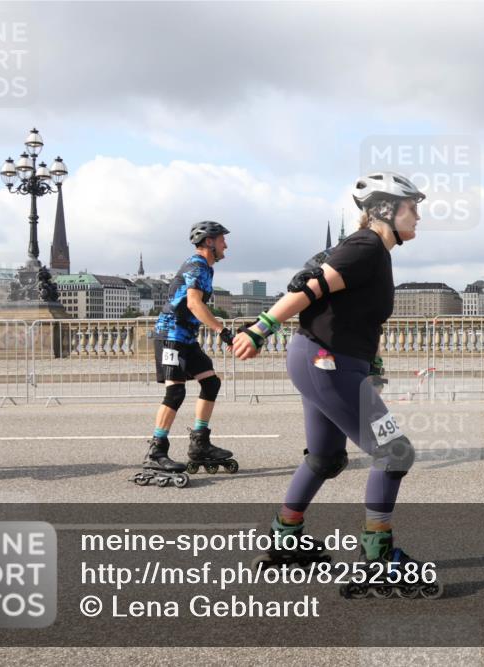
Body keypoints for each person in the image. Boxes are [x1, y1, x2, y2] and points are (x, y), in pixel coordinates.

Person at [233, 172, 441, 598]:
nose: (418, 216)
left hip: (327, 360)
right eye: (412, 207)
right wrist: (260, 328)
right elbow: (311, 289)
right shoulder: (366, 247)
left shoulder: (376, 254)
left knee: (326, 458)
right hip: (326, 361)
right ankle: (378, 558)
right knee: (395, 453)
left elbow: (359, 314)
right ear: (386, 210)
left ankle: (285, 537)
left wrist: (372, 363)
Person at [132, 221, 238, 488]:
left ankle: (200, 443)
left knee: (211, 382)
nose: (226, 244)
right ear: (209, 242)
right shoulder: (197, 265)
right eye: (222, 240)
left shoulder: (205, 268)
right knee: (175, 392)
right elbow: (193, 302)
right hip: (170, 336)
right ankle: (156, 450)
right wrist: (222, 331)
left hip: (186, 338)